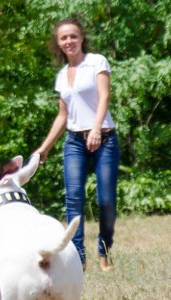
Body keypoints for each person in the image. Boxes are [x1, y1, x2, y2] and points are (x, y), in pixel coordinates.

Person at [35, 17, 120, 272]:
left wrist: (96, 128)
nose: (69, 41)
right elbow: (63, 115)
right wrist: (44, 148)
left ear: (82, 38)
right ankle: (78, 260)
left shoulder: (97, 62)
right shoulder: (62, 76)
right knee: (74, 199)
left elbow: (105, 96)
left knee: (106, 201)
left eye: (73, 36)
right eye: (64, 38)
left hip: (104, 138)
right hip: (74, 142)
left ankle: (104, 253)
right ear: (58, 44)